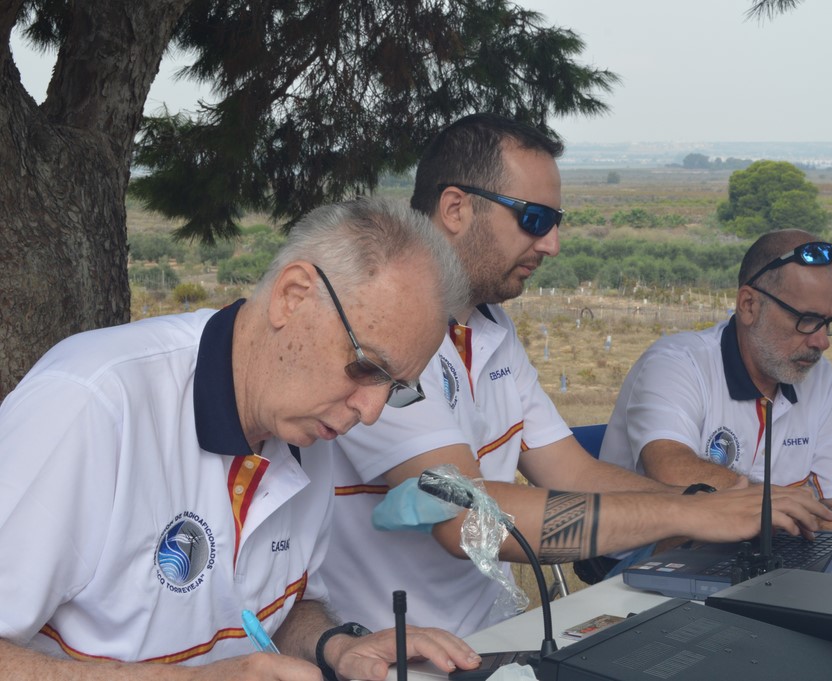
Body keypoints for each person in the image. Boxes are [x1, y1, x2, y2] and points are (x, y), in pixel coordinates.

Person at [313, 114, 832, 638]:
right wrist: (694, 516)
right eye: (535, 219)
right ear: (455, 208)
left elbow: (573, 473)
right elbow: (465, 519)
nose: (552, 244)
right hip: (389, 653)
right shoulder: (384, 332)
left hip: (488, 637)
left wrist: (706, 504)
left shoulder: (490, 327)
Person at [0, 198, 482, 681]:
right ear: (292, 296)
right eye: (366, 367)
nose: (371, 411)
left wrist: (338, 646)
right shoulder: (92, 403)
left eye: (396, 389)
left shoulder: (305, 430)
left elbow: (269, 610)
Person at [599, 229, 832, 567]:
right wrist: (796, 512)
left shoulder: (818, 379)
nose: (821, 342)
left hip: (755, 551)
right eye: (806, 319)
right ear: (749, 304)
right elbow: (670, 468)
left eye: (831, 322)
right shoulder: (677, 362)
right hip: (646, 554)